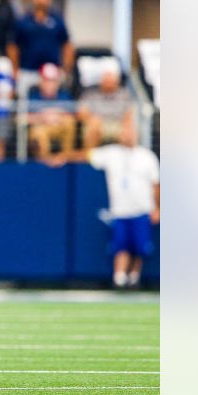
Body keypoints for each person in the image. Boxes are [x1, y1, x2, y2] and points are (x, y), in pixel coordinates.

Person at [53, 119, 159, 289]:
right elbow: (86, 155)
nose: (127, 136)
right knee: (120, 245)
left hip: (142, 209)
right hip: (120, 210)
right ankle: (119, 278)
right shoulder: (111, 153)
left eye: (130, 132)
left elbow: (156, 184)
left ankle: (134, 278)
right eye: (124, 132)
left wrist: (157, 208)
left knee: (140, 247)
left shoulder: (147, 157)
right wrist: (63, 156)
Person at [11, 0, 74, 99]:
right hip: (28, 70)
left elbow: (67, 45)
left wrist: (66, 68)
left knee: (54, 104)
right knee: (24, 103)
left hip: (53, 72)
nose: (42, 0)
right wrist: (15, 69)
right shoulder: (23, 21)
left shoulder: (58, 20)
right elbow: (13, 46)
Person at [27, 63, 76, 161]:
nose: (50, 84)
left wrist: (57, 116)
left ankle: (65, 159)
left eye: (53, 81)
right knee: (39, 133)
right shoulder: (33, 96)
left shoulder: (64, 95)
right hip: (40, 128)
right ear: (41, 81)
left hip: (59, 126)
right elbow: (21, 118)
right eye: (46, 80)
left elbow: (73, 115)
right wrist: (42, 118)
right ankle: (45, 164)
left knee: (69, 121)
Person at [77, 66, 133, 149]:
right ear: (101, 81)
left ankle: (127, 160)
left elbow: (129, 114)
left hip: (117, 124)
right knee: (92, 128)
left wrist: (127, 126)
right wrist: (91, 119)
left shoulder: (124, 95)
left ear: (117, 81)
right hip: (97, 123)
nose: (109, 82)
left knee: (130, 132)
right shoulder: (90, 94)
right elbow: (81, 112)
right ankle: (91, 159)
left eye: (111, 80)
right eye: (106, 80)